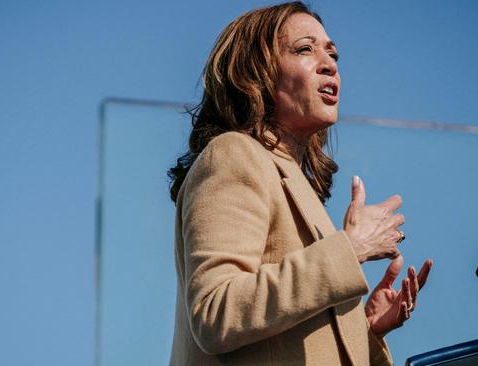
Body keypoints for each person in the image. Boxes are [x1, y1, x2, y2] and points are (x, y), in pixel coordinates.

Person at [168, 2, 432, 365]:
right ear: (255, 73)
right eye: (305, 49)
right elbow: (217, 312)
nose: (330, 64)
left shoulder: (294, 182)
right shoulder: (234, 154)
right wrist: (350, 250)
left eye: (332, 52)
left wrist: (362, 328)